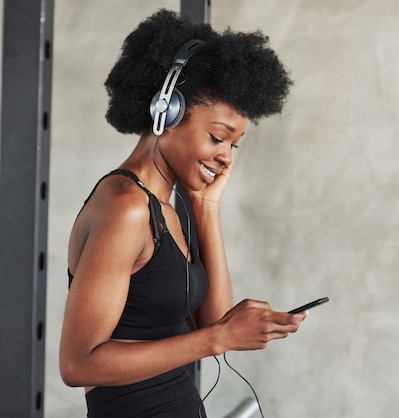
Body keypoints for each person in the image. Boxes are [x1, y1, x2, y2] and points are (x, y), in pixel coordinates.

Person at [59, 9, 306, 418]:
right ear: (166, 113)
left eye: (234, 146)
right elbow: (78, 364)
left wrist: (206, 206)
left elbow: (214, 321)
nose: (225, 157)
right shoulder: (126, 207)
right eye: (217, 138)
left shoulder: (167, 208)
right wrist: (220, 337)